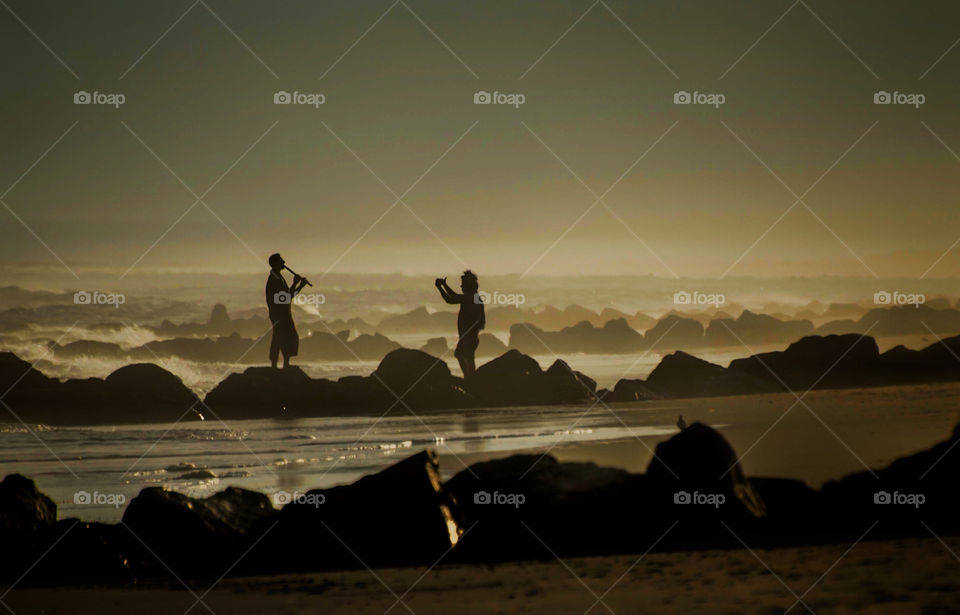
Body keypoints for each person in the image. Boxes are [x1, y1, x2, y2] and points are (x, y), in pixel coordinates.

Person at [435, 270, 485, 379]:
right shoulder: (472, 297)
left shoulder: (472, 297)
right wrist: (442, 286)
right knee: (461, 354)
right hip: (467, 335)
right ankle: (468, 377)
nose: (461, 286)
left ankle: (470, 378)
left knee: (467, 357)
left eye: (463, 284)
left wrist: (442, 286)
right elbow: (452, 298)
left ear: (469, 285)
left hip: (469, 336)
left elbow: (452, 298)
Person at [265, 253, 307, 368]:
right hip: (278, 314)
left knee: (286, 336)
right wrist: (296, 284)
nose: (284, 263)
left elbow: (287, 295)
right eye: (281, 261)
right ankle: (276, 364)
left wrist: (298, 286)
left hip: (283, 313)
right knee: (279, 337)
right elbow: (286, 297)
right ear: (275, 264)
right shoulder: (274, 279)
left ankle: (284, 363)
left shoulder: (278, 277)